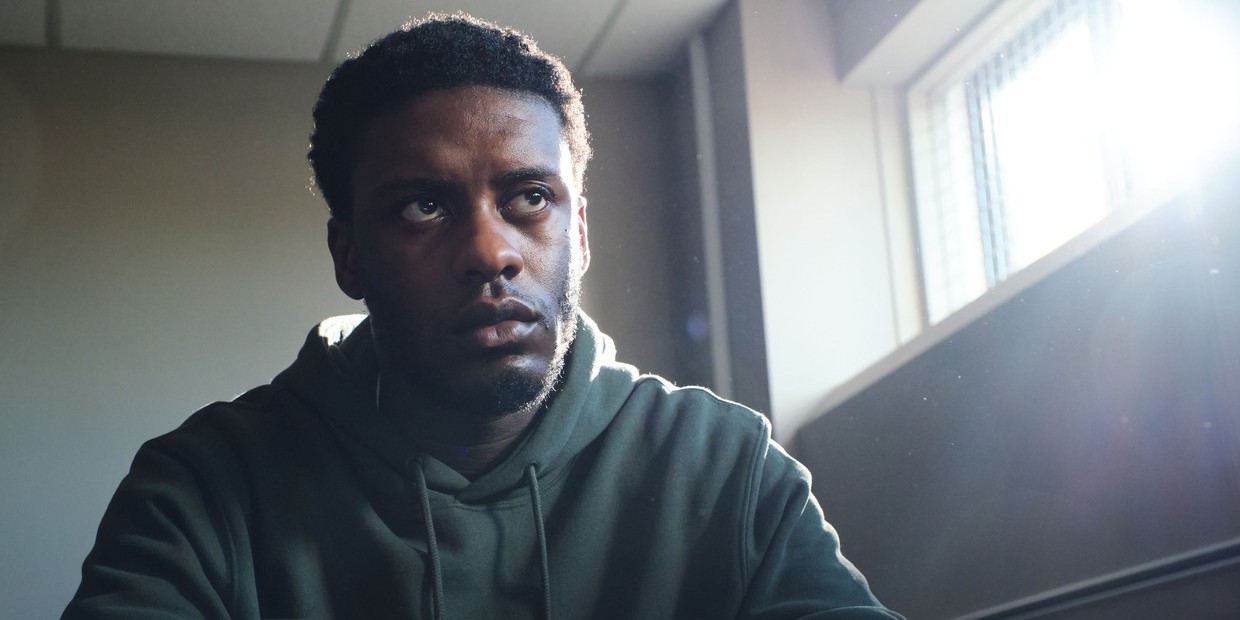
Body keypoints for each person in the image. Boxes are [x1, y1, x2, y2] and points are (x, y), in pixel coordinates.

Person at [63, 14, 902, 620]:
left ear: (579, 231)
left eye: (529, 197)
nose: (490, 251)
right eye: (423, 207)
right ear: (348, 255)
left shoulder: (724, 469)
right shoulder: (205, 490)